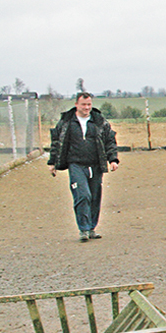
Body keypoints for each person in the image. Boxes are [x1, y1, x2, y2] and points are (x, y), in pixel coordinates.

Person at [48, 92, 119, 242]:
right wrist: (52, 162)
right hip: (76, 164)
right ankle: (83, 229)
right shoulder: (66, 122)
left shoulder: (99, 121)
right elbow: (56, 142)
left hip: (96, 164)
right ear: (76, 105)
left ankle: (92, 228)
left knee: (94, 196)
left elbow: (109, 140)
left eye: (89, 105)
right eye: (84, 105)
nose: (87, 108)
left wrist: (113, 159)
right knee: (82, 195)